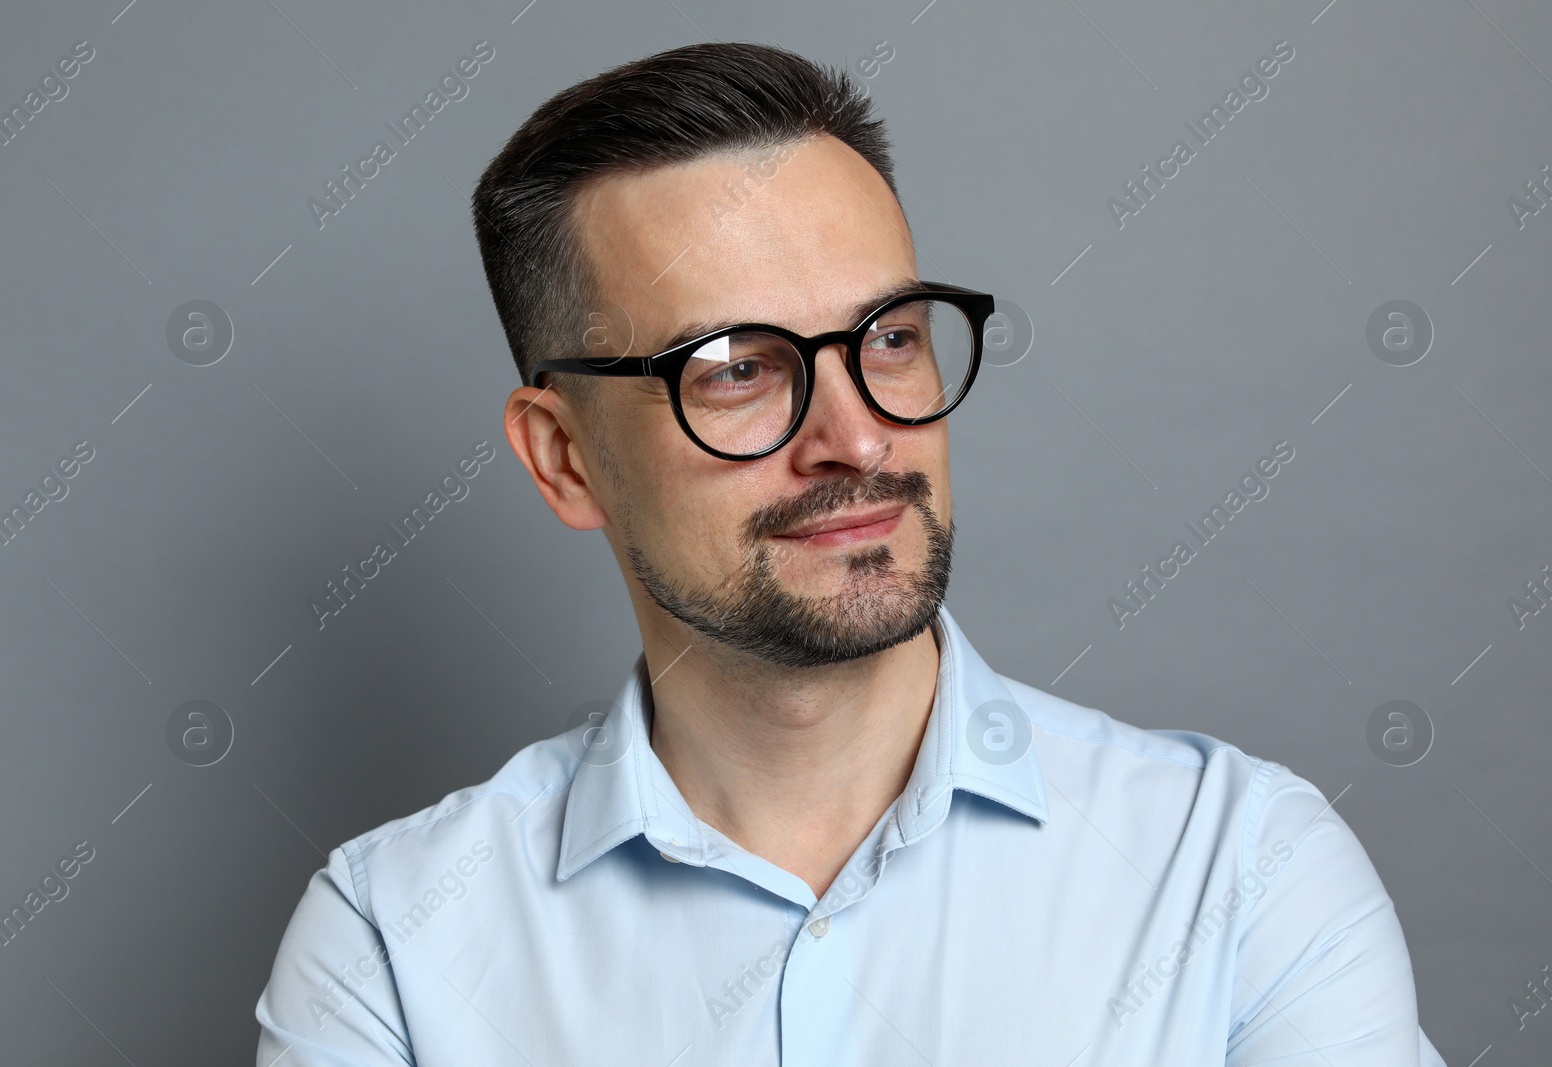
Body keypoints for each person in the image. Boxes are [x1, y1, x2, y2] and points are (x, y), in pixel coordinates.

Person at [256, 41, 1446, 1065]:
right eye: (735, 366)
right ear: (564, 458)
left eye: (887, 336)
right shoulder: (393, 945)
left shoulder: (1241, 870)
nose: (858, 435)